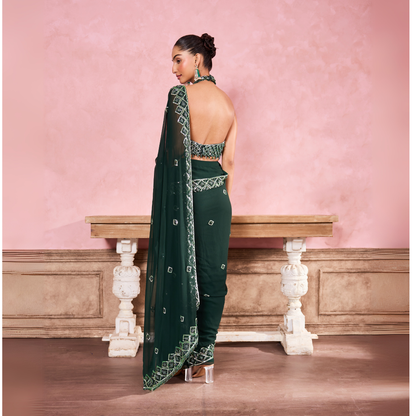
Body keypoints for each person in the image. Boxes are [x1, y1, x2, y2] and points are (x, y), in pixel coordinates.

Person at [143, 33, 237, 391]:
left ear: (197, 59)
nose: (173, 69)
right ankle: (204, 357)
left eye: (178, 59)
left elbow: (171, 157)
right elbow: (229, 163)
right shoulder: (227, 103)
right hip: (218, 199)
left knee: (182, 270)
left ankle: (180, 352)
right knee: (213, 276)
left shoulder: (179, 96)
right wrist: (221, 202)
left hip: (187, 196)